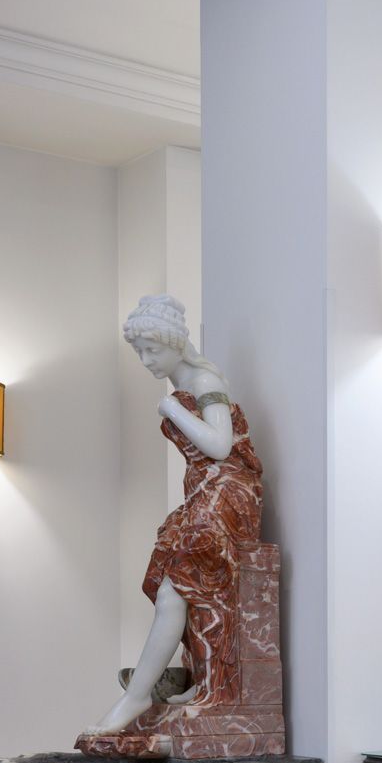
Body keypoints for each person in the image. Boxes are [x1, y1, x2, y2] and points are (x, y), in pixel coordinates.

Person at [87, 295, 265, 737]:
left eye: (152, 350)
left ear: (176, 344)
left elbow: (221, 446)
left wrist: (172, 410)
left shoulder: (205, 381)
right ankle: (204, 682)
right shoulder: (187, 385)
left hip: (229, 493)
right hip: (205, 492)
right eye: (140, 351)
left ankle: (138, 695)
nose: (146, 360)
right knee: (181, 589)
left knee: (173, 590)